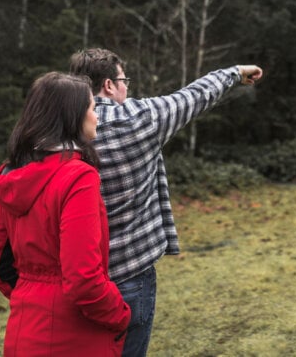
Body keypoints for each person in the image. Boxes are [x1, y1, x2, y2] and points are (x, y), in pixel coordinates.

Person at [69, 48, 263, 357]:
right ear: (108, 85)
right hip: (131, 276)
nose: (127, 87)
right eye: (124, 80)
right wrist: (237, 72)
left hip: (75, 279)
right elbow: (196, 95)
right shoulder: (142, 118)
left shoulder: (58, 128)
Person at [0, 72, 131, 356]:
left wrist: (33, 295)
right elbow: (83, 278)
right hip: (73, 338)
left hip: (23, 333)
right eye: (90, 108)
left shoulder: (14, 173)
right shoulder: (78, 177)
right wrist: (120, 314)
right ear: (71, 117)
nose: (96, 117)